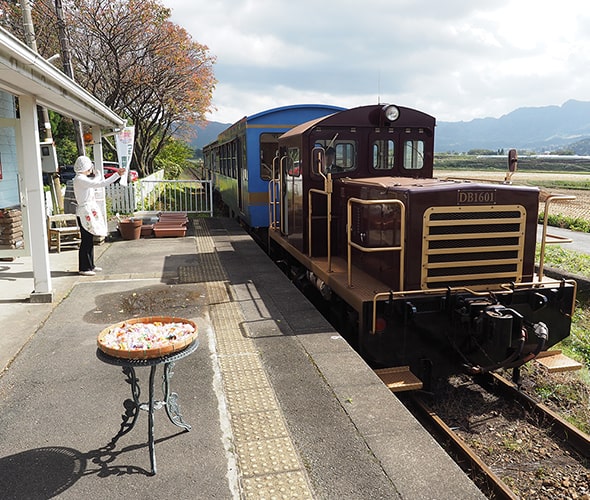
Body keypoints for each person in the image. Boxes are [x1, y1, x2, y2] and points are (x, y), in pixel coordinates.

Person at [72, 155, 125, 276]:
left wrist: (115, 174)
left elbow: (98, 182)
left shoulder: (82, 178)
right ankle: (84, 267)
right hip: (84, 211)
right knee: (86, 240)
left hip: (87, 210)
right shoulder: (80, 179)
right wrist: (112, 175)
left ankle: (90, 265)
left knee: (90, 238)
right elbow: (99, 183)